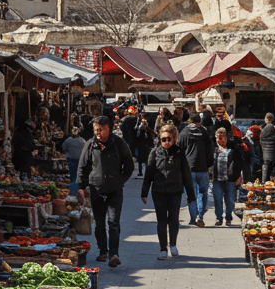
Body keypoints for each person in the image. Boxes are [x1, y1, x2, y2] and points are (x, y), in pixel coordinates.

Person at [78, 116, 135, 267]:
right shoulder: (90, 145)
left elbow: (129, 166)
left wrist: (119, 180)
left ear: (109, 128)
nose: (98, 132)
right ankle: (103, 251)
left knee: (113, 223)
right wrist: (81, 187)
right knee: (100, 224)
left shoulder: (119, 144)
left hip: (115, 190)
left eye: (101, 129)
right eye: (96, 129)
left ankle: (113, 254)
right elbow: (82, 167)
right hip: (96, 189)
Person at [142, 123, 196, 260]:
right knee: (161, 220)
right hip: (158, 191)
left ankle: (173, 244)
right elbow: (149, 172)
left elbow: (186, 174)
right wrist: (144, 192)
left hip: (175, 190)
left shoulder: (179, 153)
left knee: (173, 219)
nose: (166, 142)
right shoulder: (154, 152)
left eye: (169, 139)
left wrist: (191, 195)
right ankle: (162, 248)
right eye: (163, 139)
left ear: (174, 139)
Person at [177, 112, 214, 227]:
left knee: (190, 194)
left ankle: (193, 218)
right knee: (203, 193)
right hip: (202, 168)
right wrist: (208, 165)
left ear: (190, 121)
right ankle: (200, 216)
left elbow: (179, 149)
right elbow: (210, 151)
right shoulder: (205, 133)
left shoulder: (184, 132)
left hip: (189, 168)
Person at [210, 127, 247, 226]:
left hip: (230, 178)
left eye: (221, 138)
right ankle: (219, 218)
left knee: (230, 200)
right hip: (217, 178)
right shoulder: (214, 149)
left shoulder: (233, 148)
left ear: (226, 138)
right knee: (218, 199)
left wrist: (239, 175)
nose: (219, 140)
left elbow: (240, 162)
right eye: (218, 138)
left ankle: (228, 217)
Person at [259, 112, 275, 183]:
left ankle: (264, 186)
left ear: (266, 119)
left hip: (267, 157)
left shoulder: (264, 130)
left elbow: (261, 141)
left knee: (266, 178)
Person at [61, 126, 85, 199]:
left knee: (73, 176)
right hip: (80, 160)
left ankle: (73, 193)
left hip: (71, 160)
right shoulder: (82, 141)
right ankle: (77, 193)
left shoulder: (68, 140)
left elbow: (63, 148)